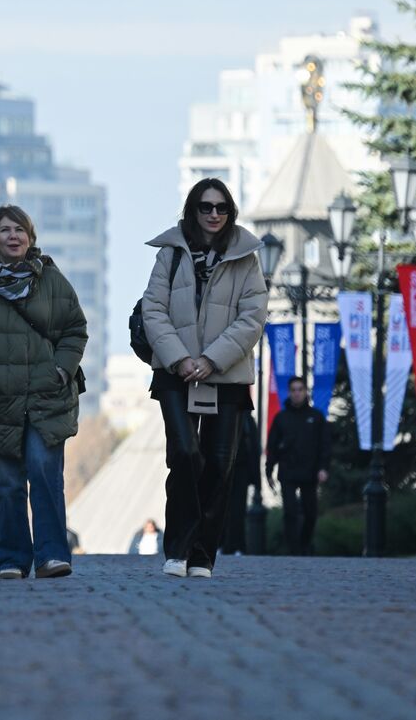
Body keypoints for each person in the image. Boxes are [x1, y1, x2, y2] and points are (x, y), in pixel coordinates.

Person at [141, 178, 268, 580]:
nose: (213, 214)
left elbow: (253, 317)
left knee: (219, 464)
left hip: (226, 374)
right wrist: (180, 360)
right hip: (175, 373)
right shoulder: (170, 255)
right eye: (205, 206)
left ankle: (202, 555)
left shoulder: (247, 257)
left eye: (221, 208)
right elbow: (153, 309)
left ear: (230, 212)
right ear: (191, 210)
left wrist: (212, 360)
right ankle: (176, 549)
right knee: (184, 453)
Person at [0, 205, 88, 580]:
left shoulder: (54, 281)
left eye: (20, 230)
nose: (13, 236)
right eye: (5, 230)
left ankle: (52, 556)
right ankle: (11, 558)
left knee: (45, 475)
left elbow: (75, 329)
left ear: (30, 237)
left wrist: (62, 370)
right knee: (9, 483)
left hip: (49, 396)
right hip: (1, 399)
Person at [266, 376, 332, 556]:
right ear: (289, 392)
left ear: (305, 392)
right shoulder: (281, 418)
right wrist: (269, 470)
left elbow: (325, 445)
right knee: (290, 512)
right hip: (287, 471)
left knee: (311, 513)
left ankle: (304, 544)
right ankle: (294, 550)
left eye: (300, 389)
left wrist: (323, 468)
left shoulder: (316, 417)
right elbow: (272, 447)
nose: (296, 393)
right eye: (293, 390)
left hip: (310, 472)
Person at [221, 409, 261, 555]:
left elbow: (254, 448)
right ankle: (222, 544)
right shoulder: (222, 415)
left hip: (240, 469)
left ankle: (236, 545)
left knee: (238, 510)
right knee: (221, 508)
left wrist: (257, 479)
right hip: (222, 467)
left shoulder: (246, 419)